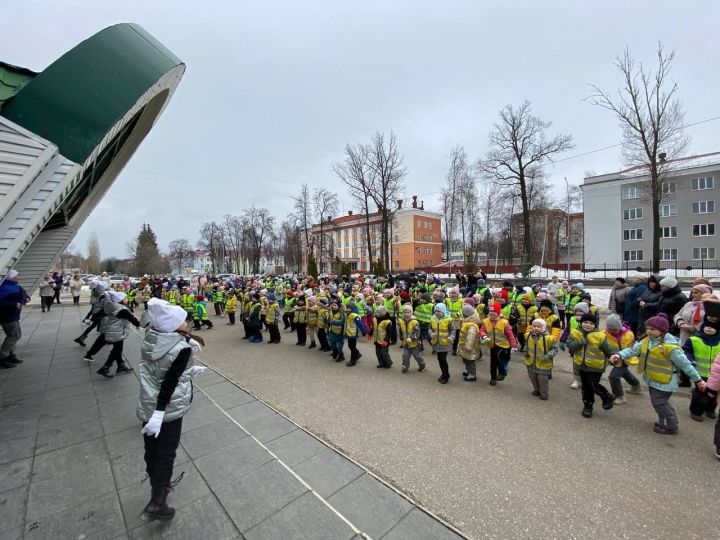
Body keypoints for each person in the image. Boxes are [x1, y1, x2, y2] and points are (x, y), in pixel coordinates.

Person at [137, 299, 206, 521]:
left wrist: (189, 369)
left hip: (148, 401)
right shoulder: (181, 347)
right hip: (166, 408)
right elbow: (169, 382)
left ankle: (157, 485)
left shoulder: (153, 337)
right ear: (175, 325)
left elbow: (159, 369)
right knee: (166, 454)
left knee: (152, 450)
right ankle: (158, 502)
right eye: (183, 320)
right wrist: (159, 413)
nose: (186, 323)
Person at [611, 313, 705, 434]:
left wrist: (698, 380)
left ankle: (671, 426)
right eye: (648, 328)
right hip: (653, 379)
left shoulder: (671, 348)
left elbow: (686, 365)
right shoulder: (647, 341)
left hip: (666, 382)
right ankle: (663, 423)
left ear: (662, 330)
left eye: (653, 329)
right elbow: (632, 350)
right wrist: (619, 355)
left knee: (659, 403)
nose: (649, 331)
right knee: (661, 403)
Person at [567, 312, 616, 418]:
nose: (588, 325)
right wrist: (579, 343)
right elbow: (569, 345)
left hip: (596, 366)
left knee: (592, 383)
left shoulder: (600, 336)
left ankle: (606, 396)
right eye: (585, 322)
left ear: (595, 325)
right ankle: (588, 406)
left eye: (591, 323)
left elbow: (608, 349)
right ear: (581, 322)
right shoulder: (575, 333)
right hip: (581, 365)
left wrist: (612, 356)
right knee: (586, 387)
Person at [683, 298, 720, 422]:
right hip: (700, 373)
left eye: (712, 327)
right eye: (707, 326)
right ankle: (696, 411)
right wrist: (690, 360)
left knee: (714, 394)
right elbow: (687, 351)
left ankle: (710, 409)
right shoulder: (695, 339)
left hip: (716, 374)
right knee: (700, 394)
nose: (709, 329)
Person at [94, 292, 141, 378]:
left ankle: (120, 366)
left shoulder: (113, 306)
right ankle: (106, 367)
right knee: (117, 350)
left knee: (117, 350)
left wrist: (94, 317)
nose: (127, 299)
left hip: (113, 331)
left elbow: (100, 313)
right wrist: (139, 324)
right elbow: (132, 318)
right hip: (116, 332)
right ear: (120, 300)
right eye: (125, 298)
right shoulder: (122, 309)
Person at [604, 314, 642, 405]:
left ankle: (619, 396)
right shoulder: (604, 334)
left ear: (619, 327)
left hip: (625, 358)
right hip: (614, 358)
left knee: (614, 376)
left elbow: (632, 348)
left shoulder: (629, 334)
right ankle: (636, 386)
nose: (612, 331)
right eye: (610, 329)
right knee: (624, 372)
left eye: (615, 329)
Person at [479, 304, 518, 386]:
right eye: (490, 312)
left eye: (494, 312)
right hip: (492, 344)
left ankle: (502, 372)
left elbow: (510, 334)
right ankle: (493, 378)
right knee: (493, 362)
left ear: (498, 313)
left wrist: (513, 345)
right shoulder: (486, 321)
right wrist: (484, 335)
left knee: (498, 356)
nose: (492, 314)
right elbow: (482, 330)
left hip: (503, 344)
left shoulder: (504, 322)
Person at [0, 269, 28, 368]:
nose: (18, 277)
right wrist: (13, 304)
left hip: (14, 315)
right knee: (14, 336)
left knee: (16, 335)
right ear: (11, 277)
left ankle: (11, 355)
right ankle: (3, 357)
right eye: (16, 276)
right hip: (7, 316)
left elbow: (22, 292)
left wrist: (26, 297)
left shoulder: (15, 286)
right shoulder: (3, 288)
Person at [524, 318, 558, 400]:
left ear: (543, 327)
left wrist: (548, 356)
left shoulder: (548, 338)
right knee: (533, 378)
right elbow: (527, 345)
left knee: (543, 380)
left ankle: (544, 393)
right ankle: (536, 390)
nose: (536, 328)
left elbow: (555, 349)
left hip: (543, 363)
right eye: (534, 326)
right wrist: (526, 352)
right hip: (531, 362)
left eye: (538, 326)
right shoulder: (528, 335)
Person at [429, 303, 455, 384]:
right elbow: (430, 328)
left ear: (443, 311)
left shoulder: (448, 319)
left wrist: (452, 337)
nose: (437, 313)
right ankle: (443, 374)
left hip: (445, 342)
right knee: (439, 359)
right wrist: (431, 333)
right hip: (436, 342)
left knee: (443, 359)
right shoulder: (433, 318)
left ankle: (446, 375)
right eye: (436, 311)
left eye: (439, 311)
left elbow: (453, 329)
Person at [398, 304, 425, 374]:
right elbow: (401, 330)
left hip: (414, 344)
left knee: (417, 356)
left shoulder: (415, 322)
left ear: (411, 313)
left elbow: (417, 332)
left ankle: (422, 365)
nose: (406, 314)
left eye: (408, 312)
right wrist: (401, 337)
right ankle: (405, 367)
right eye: (404, 312)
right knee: (405, 356)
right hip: (406, 344)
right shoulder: (401, 321)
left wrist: (412, 338)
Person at [458, 304, 481, 382]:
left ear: (465, 314)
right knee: (466, 360)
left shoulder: (471, 325)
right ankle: (468, 371)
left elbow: (471, 337)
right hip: (465, 346)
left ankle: (472, 375)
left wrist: (468, 347)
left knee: (470, 362)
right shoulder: (467, 321)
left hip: (470, 348)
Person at [344, 301, 366, 366]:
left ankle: (353, 361)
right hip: (349, 333)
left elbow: (360, 324)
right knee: (350, 346)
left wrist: (363, 331)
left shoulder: (354, 315)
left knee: (352, 347)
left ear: (352, 308)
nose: (347, 309)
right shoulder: (348, 314)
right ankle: (357, 354)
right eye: (346, 308)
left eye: (348, 308)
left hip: (353, 334)